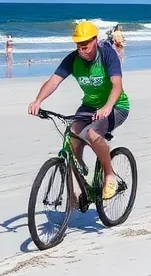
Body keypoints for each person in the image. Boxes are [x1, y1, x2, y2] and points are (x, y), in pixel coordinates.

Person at [27, 21, 129, 203]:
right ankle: (79, 169)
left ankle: (109, 175)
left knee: (92, 134)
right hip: (89, 106)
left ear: (95, 41)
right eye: (78, 46)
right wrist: (38, 100)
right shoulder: (73, 59)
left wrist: (107, 107)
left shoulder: (107, 55)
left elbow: (117, 86)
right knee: (72, 134)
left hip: (116, 106)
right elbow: (53, 81)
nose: (81, 50)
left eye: (85, 46)